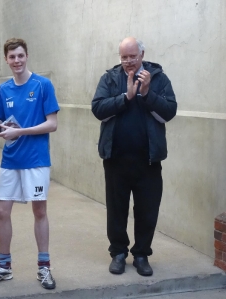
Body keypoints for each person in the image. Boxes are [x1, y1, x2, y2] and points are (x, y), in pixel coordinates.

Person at [91, 37, 177, 276]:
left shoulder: (158, 78)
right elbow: (98, 108)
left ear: (142, 54)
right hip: (116, 159)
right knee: (116, 209)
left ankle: (141, 255)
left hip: (149, 160)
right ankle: (118, 253)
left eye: (132, 56)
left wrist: (148, 94)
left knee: (147, 211)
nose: (128, 61)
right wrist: (125, 97)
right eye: (124, 57)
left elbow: (170, 111)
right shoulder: (110, 78)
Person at [0, 38, 60, 290]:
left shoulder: (43, 85)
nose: (16, 61)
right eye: (12, 57)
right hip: (11, 160)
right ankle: (4, 266)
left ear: (27, 56)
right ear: (6, 60)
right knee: (2, 211)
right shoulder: (2, 90)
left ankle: (44, 267)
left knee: (39, 212)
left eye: (20, 56)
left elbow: (52, 124)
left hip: (36, 160)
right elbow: (0, 126)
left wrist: (21, 131)